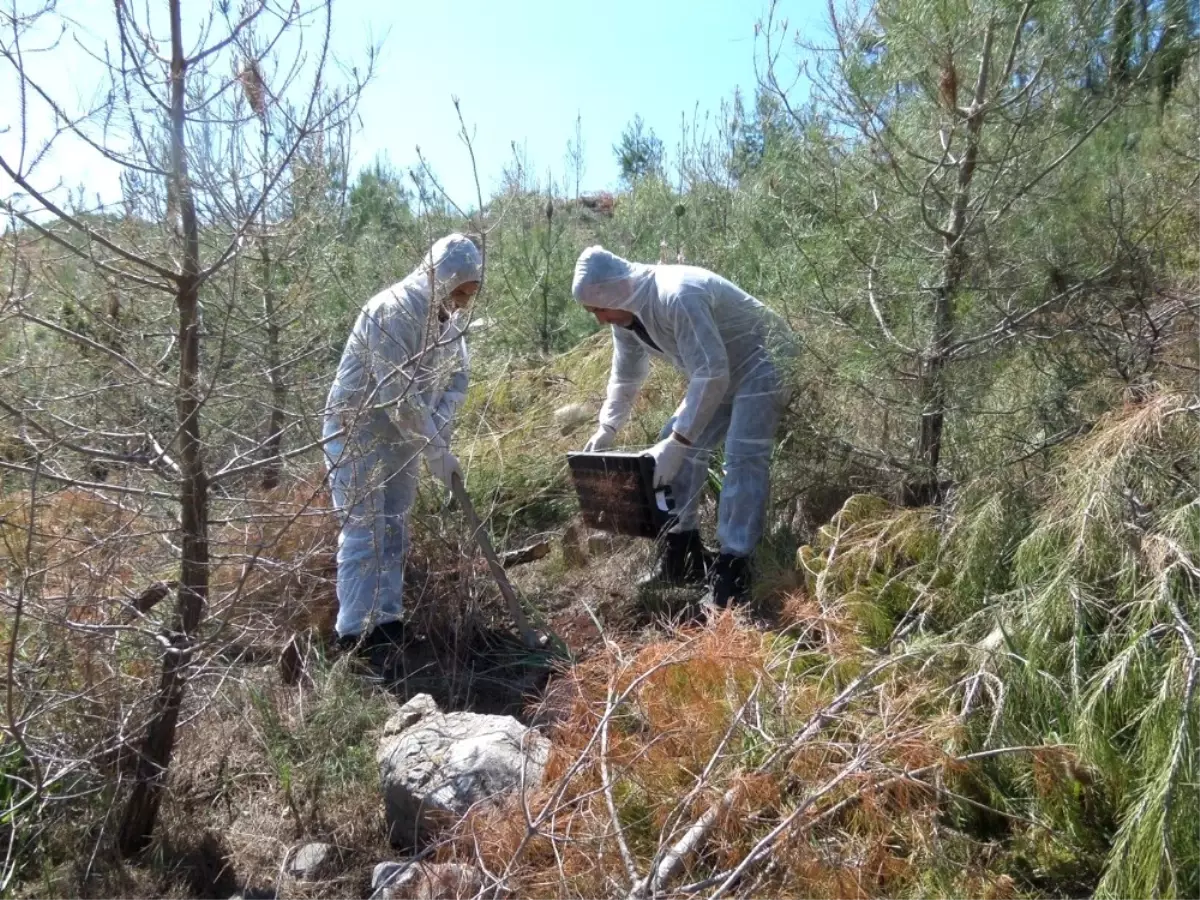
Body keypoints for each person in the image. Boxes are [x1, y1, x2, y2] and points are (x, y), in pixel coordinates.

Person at [572, 245, 795, 608]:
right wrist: (607, 428)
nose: (598, 318)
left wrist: (679, 442)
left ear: (613, 292)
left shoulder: (676, 293)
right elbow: (626, 376)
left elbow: (711, 372)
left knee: (742, 457)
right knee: (670, 446)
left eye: (597, 309)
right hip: (719, 373)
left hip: (763, 362)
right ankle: (682, 556)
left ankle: (734, 570)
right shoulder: (626, 314)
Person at [322, 233, 481, 666]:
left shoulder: (451, 326)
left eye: (470, 294)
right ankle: (356, 636)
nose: (463, 302)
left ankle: (387, 622)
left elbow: (455, 384)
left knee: (394, 528)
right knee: (363, 530)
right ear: (439, 277)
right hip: (357, 433)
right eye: (458, 291)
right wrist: (432, 448)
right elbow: (397, 395)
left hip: (406, 439)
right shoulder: (393, 310)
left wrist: (439, 437)